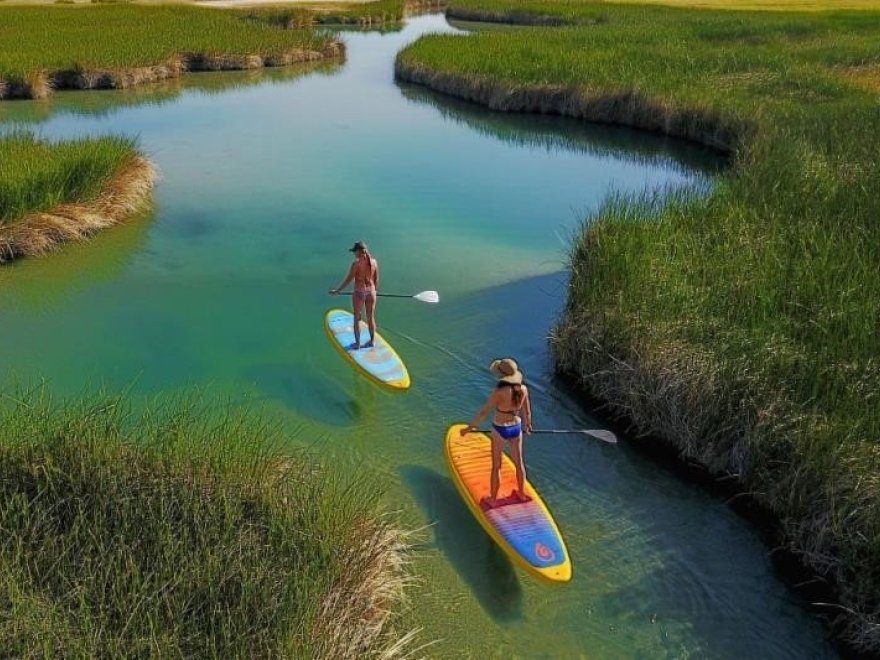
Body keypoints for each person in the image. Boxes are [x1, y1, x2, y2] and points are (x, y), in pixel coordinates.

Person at [460, 358, 533, 510]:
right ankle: (521, 494)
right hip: (516, 427)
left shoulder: (499, 392)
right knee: (519, 463)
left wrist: (469, 428)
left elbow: (483, 413)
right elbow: (527, 411)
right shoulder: (524, 389)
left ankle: (493, 500)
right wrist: (528, 426)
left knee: (496, 466)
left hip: (500, 429)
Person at [329, 241, 379, 350]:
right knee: (371, 317)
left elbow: (348, 280)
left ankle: (357, 344)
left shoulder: (356, 264)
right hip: (371, 292)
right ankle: (372, 342)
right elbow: (376, 280)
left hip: (359, 293)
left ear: (359, 252)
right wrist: (374, 292)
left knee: (357, 319)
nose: (354, 254)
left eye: (354, 251)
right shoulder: (374, 262)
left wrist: (337, 291)